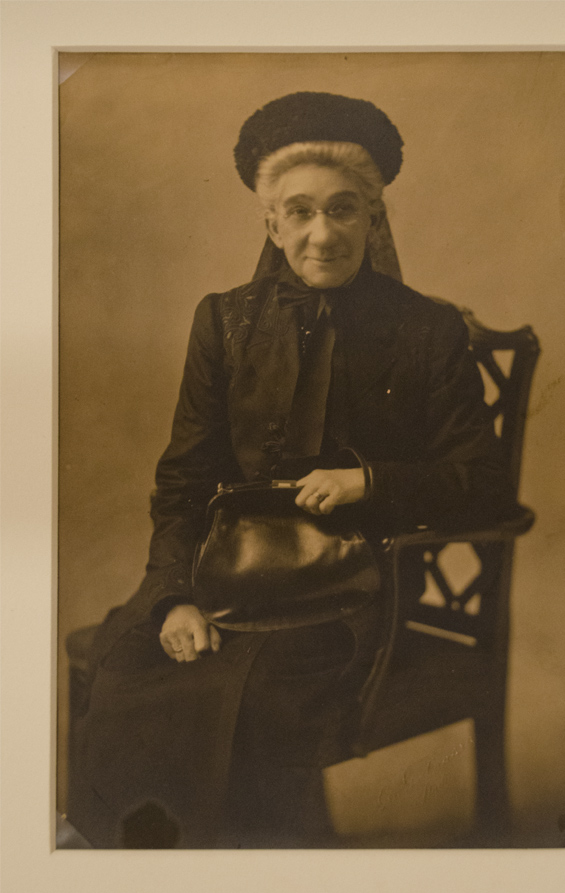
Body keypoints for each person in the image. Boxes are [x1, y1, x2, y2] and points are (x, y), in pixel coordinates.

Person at [67, 92, 513, 849]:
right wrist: (176, 598)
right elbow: (183, 482)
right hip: (225, 574)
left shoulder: (427, 328)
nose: (322, 234)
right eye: (300, 212)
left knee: (248, 692)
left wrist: (369, 482)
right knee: (132, 663)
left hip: (358, 591)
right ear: (272, 225)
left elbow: (483, 480)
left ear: (373, 220)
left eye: (343, 210)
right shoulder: (224, 320)